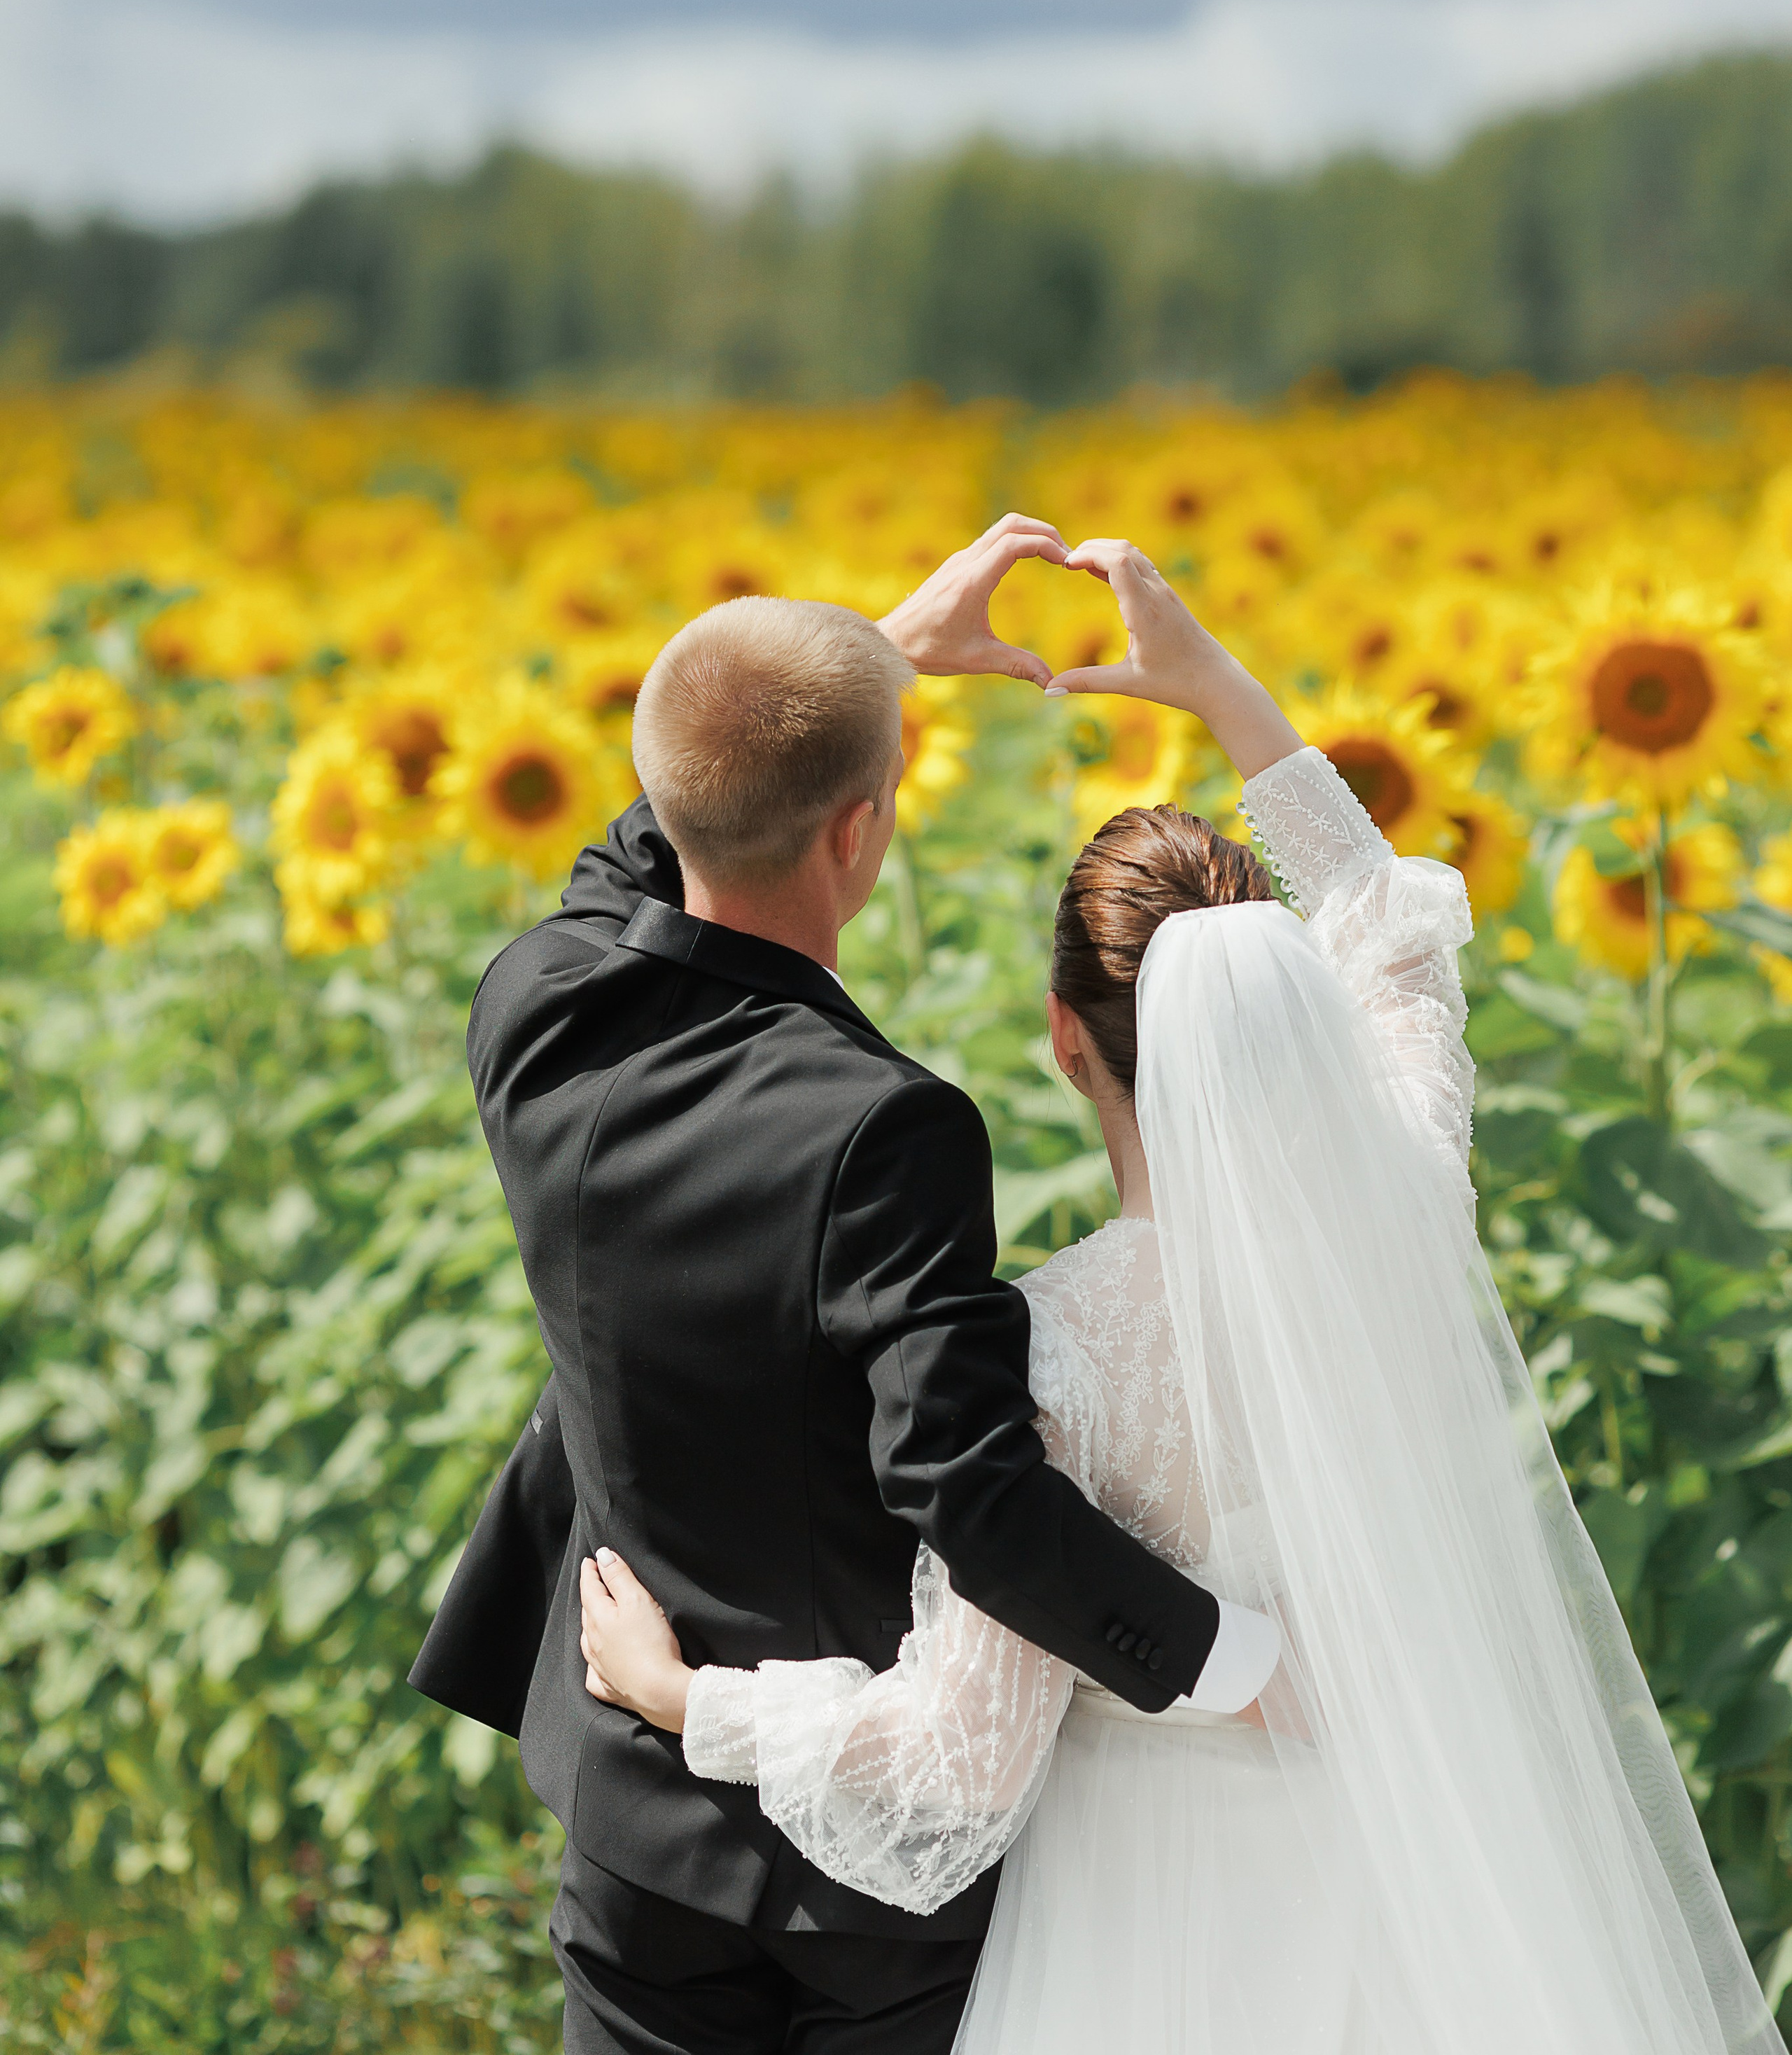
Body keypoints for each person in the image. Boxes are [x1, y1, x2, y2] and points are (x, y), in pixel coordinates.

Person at [578, 541, 1778, 2055]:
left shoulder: (1055, 1344)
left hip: (1148, 1922)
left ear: (1063, 1045)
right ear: (1286, 1018)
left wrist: (692, 1704)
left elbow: (957, 1758)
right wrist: (1220, 688)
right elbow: (1393, 939)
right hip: (1429, 1880)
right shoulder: (1404, 1203)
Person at [409, 517, 1278, 2055]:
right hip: (860, 1878)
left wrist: (869, 658)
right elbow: (969, 1493)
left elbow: (651, 845)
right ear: (860, 835)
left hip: (627, 1796)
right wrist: (1223, 1654)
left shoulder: (534, 1008)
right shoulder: (884, 1127)